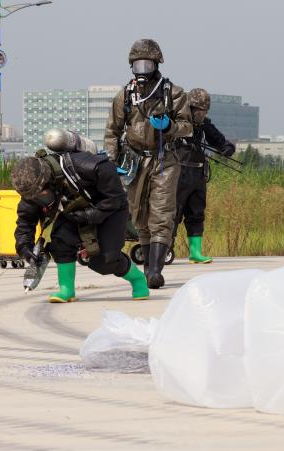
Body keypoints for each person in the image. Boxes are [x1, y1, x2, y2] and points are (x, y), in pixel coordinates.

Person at [12, 129, 149, 303]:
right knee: (60, 242)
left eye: (40, 194)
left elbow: (115, 197)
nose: (37, 200)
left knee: (105, 261)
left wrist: (92, 214)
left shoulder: (88, 166)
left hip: (109, 209)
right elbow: (25, 221)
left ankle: (138, 280)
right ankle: (66, 290)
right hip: (74, 212)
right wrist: (25, 247)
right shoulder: (32, 192)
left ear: (48, 180)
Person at [104, 38, 192, 288]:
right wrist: (111, 161)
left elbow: (188, 128)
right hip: (133, 162)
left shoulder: (173, 93)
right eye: (137, 65)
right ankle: (147, 269)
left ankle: (155, 271)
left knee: (162, 214)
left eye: (147, 64)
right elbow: (112, 131)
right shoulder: (125, 96)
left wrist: (170, 127)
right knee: (139, 216)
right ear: (131, 67)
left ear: (156, 64)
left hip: (165, 160)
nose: (142, 70)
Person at [174, 88, 235, 263]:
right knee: (173, 213)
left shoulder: (205, 125)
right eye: (199, 110)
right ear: (190, 108)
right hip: (178, 175)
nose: (202, 114)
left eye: (205, 111)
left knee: (196, 213)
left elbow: (222, 142)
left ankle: (195, 252)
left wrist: (227, 149)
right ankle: (164, 249)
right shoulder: (176, 122)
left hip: (199, 175)